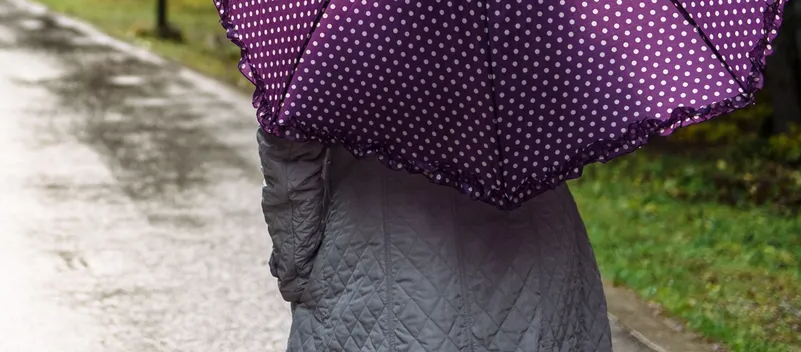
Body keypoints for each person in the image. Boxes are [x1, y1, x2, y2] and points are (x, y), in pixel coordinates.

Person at [258, 129, 612, 352]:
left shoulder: (345, 25)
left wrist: (299, 269)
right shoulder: (536, 17)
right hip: (539, 236)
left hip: (379, 248)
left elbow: (290, 150)